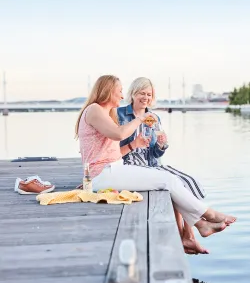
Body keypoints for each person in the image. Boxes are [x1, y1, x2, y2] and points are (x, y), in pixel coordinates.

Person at [75, 75, 236, 240]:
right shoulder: (94, 109)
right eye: (120, 91)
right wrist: (140, 119)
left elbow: (111, 152)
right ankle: (210, 215)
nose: (122, 96)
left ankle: (201, 225)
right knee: (168, 180)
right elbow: (119, 134)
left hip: (110, 171)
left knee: (169, 180)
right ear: (108, 91)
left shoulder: (106, 114)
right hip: (106, 172)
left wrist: (150, 143)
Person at [117, 77, 208, 254]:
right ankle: (188, 236)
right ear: (133, 94)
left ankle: (188, 235)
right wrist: (135, 143)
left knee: (186, 181)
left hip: (150, 164)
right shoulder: (120, 114)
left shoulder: (153, 118)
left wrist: (161, 144)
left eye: (149, 94)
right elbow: (111, 147)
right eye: (142, 93)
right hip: (128, 163)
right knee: (172, 183)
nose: (145, 97)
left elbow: (155, 153)